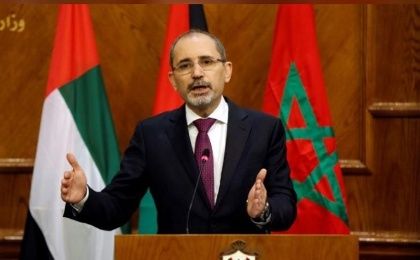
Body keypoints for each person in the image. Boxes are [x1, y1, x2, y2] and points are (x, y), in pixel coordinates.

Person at [61, 29, 296, 234]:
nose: (197, 73)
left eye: (206, 62)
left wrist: (263, 211)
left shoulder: (265, 129)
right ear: (173, 80)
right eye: (185, 65)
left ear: (227, 70)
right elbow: (116, 208)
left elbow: (286, 205)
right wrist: (84, 198)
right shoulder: (151, 135)